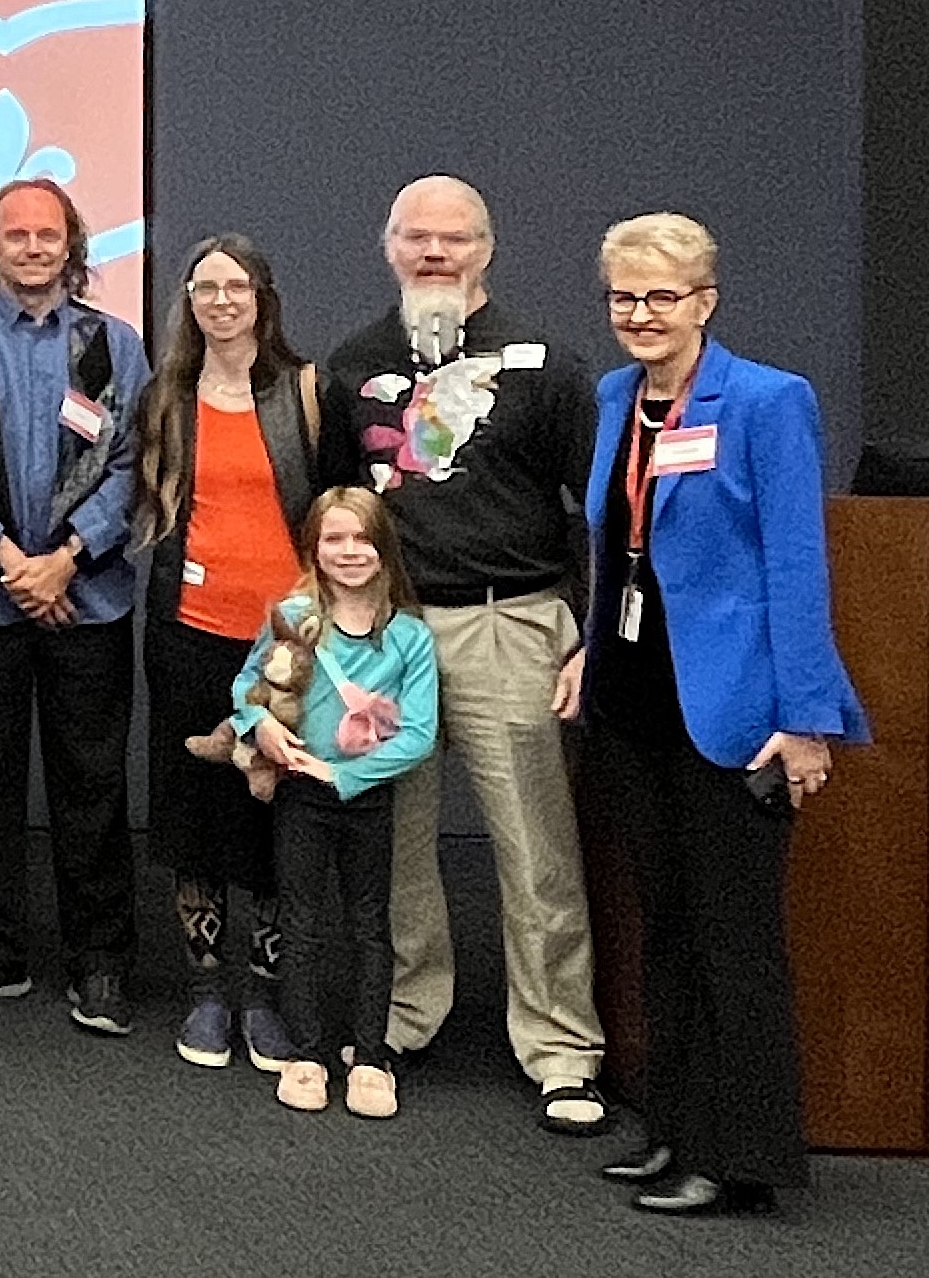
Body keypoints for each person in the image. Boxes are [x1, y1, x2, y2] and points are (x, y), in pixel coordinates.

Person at [564, 213, 867, 1215]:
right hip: (634, 706)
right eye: (622, 296)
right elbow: (621, 550)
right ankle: (674, 1131)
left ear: (704, 301)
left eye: (660, 295)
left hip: (735, 712)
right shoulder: (616, 397)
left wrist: (810, 716)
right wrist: (585, 647)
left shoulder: (768, 401)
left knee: (733, 942)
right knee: (665, 931)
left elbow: (795, 563)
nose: (639, 314)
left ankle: (743, 1160)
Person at [314, 174, 608, 1133]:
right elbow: (332, 512)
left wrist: (585, 634)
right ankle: (402, 1015)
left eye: (453, 238)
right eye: (416, 237)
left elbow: (602, 514)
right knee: (394, 844)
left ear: (486, 248)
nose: (434, 253)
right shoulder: (350, 364)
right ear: (387, 244)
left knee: (533, 848)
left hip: (510, 621)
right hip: (388, 632)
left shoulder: (549, 368)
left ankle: (560, 1046)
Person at [0, 178, 150, 1034]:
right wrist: (12, 560)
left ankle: (100, 960)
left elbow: (132, 459)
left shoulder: (112, 342)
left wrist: (65, 558)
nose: (29, 246)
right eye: (13, 233)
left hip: (84, 599)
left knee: (90, 785)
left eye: (45, 233)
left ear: (69, 245)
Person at [129, 234, 320, 1074]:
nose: (219, 300)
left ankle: (268, 996)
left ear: (262, 296)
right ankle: (206, 990)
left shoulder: (306, 391)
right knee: (195, 815)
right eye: (203, 286)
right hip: (188, 632)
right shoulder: (165, 393)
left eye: (234, 285)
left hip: (291, 645)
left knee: (275, 816)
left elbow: (342, 508)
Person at [232, 487, 440, 1121]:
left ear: (385, 548)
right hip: (298, 798)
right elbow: (247, 688)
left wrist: (346, 775)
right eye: (334, 539)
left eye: (362, 539)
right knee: (300, 922)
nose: (349, 552)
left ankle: (371, 1057)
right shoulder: (292, 616)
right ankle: (307, 1052)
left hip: (367, 799)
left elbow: (422, 733)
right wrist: (260, 727)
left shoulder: (408, 637)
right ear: (313, 549)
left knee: (371, 926)